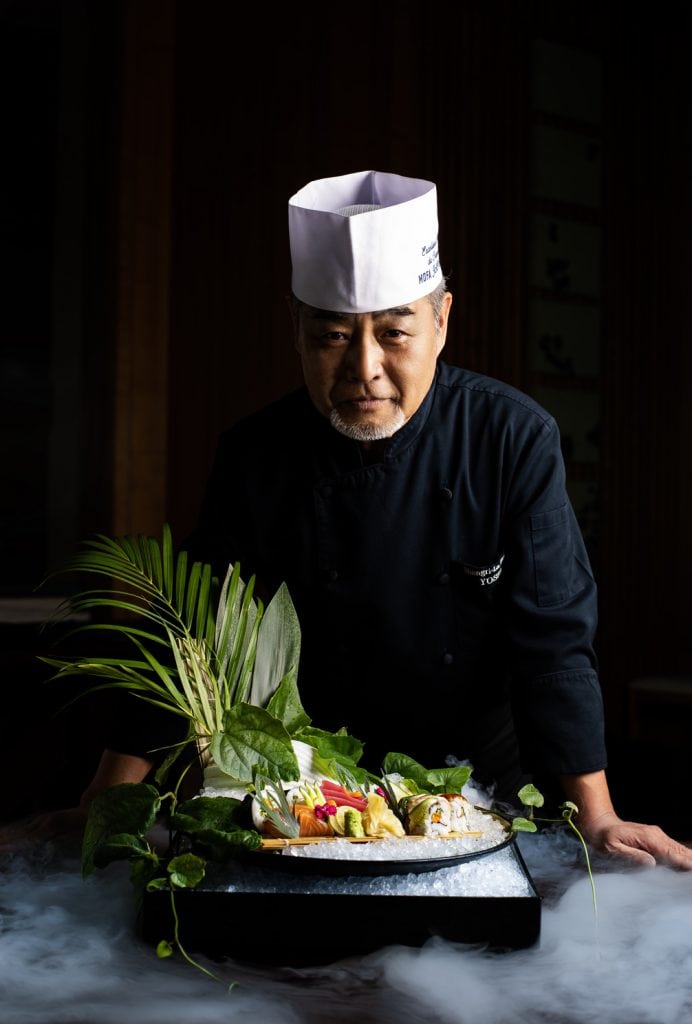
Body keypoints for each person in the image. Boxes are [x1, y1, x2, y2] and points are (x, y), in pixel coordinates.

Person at [3, 170, 691, 869]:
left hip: (481, 795)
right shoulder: (254, 456)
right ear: (296, 331)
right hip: (306, 798)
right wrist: (103, 803)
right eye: (333, 336)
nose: (364, 368)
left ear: (442, 320)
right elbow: (190, 640)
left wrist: (597, 818)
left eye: (395, 333)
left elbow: (555, 645)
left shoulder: (511, 439)